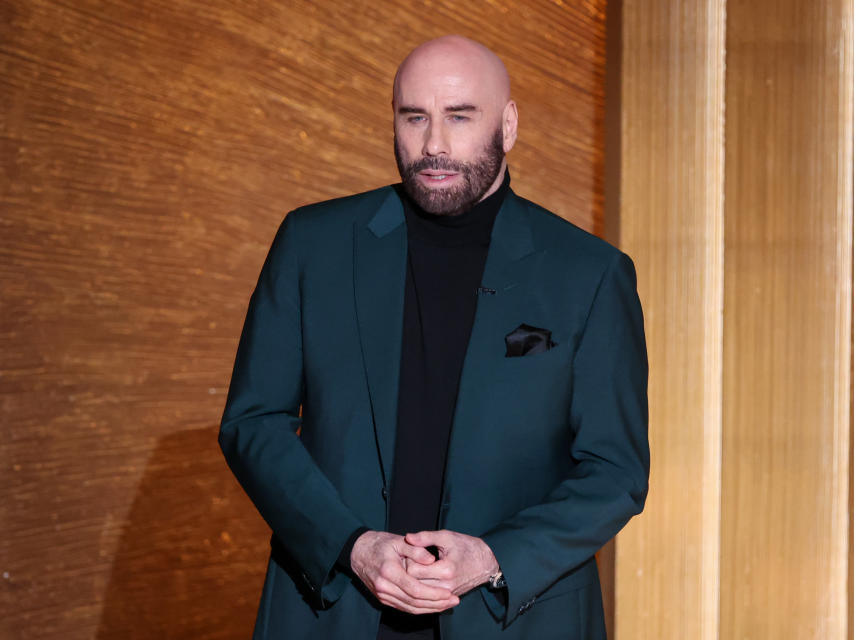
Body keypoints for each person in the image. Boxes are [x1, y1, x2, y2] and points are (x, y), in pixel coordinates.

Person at [219, 35, 649, 640]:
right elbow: (252, 422)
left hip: (516, 618)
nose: (434, 145)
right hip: (334, 610)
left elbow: (615, 471)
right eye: (414, 117)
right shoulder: (312, 243)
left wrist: (494, 558)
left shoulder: (591, 273)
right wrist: (352, 546)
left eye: (460, 117)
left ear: (509, 123)